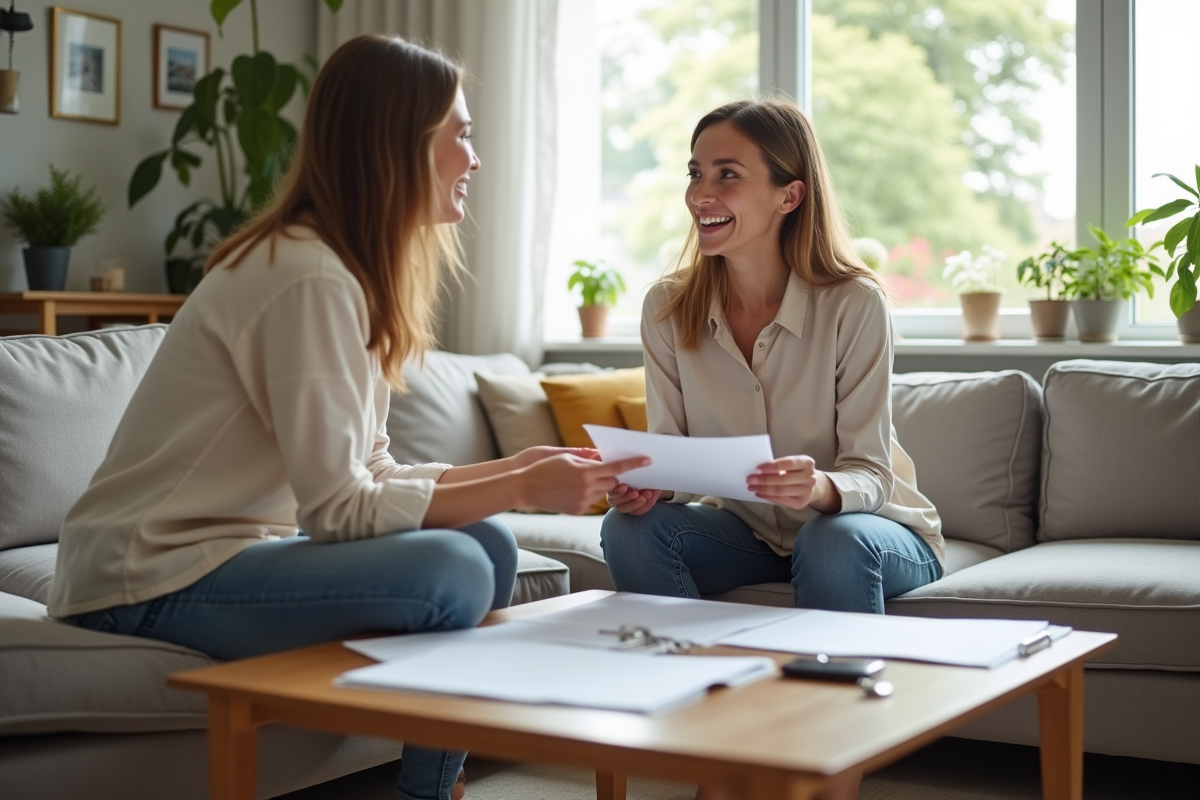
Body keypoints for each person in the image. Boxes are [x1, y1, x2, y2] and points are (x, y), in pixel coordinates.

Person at [48, 35, 645, 800]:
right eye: (460, 134)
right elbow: (337, 511)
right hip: (142, 580)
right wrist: (524, 488)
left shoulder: (342, 270)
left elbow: (375, 472)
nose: (475, 157)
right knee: (455, 568)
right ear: (398, 142)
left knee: (487, 545)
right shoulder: (307, 277)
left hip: (219, 557)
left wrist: (522, 470)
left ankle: (436, 786)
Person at [600, 100, 945, 800]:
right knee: (630, 527)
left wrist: (819, 487)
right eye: (696, 172)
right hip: (751, 530)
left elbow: (872, 474)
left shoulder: (854, 303)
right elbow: (670, 451)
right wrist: (648, 486)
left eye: (727, 175)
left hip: (878, 532)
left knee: (833, 537)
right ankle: (714, 741)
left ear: (789, 194)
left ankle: (827, 766)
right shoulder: (668, 307)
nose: (701, 193)